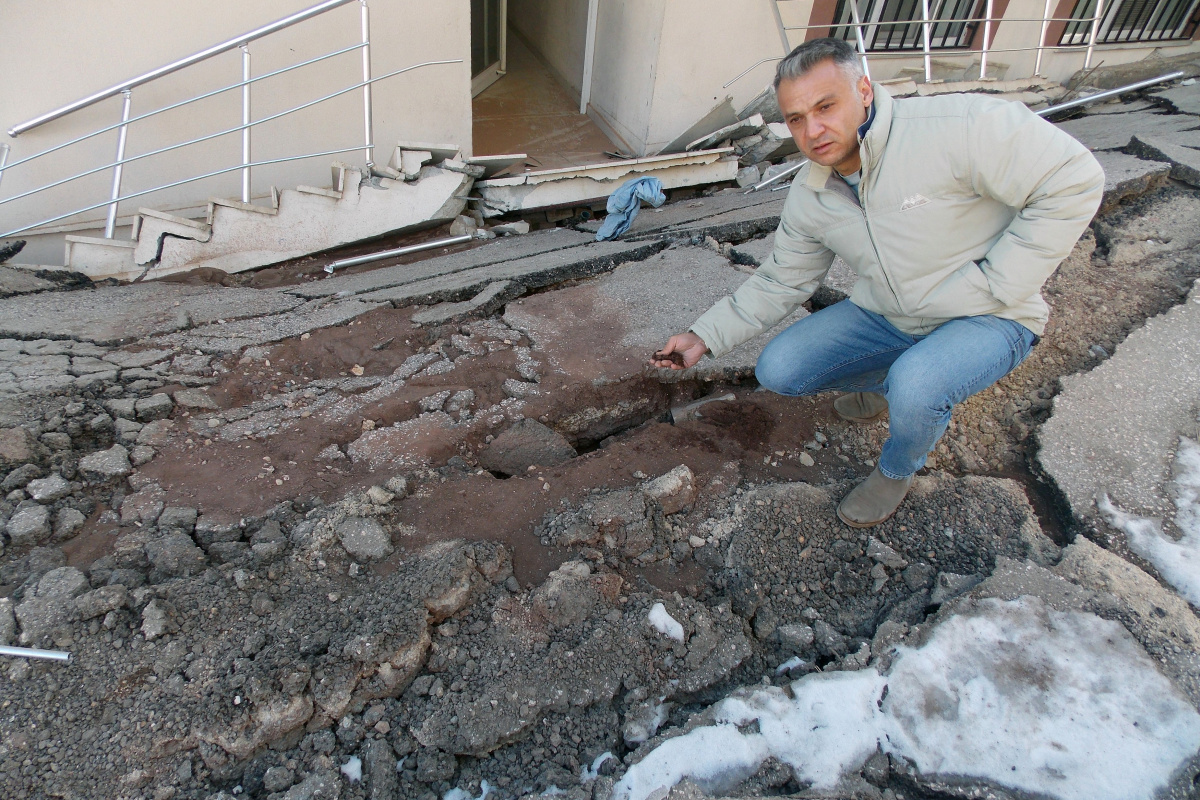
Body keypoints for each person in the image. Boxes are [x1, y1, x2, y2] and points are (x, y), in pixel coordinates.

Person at [652, 38, 1104, 528]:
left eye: (826, 106)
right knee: (779, 369)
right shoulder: (813, 192)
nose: (813, 130)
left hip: (990, 316)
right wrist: (705, 336)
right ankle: (884, 383)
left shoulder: (955, 128)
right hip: (889, 315)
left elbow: (1074, 177)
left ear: (864, 90)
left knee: (918, 384)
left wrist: (998, 282)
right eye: (797, 118)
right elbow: (782, 279)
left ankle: (896, 469)